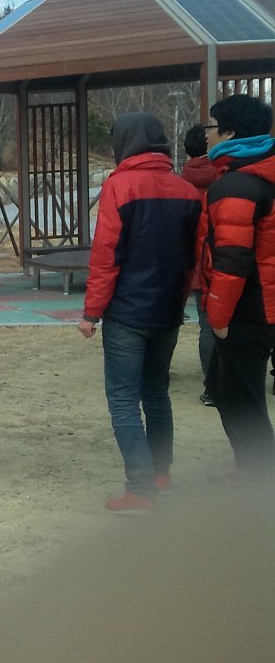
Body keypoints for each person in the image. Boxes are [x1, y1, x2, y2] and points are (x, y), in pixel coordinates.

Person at [78, 112, 201, 514]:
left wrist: (91, 312)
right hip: (168, 310)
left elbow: (106, 255)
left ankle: (141, 488)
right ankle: (161, 473)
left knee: (123, 400)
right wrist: (179, 299)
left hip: (127, 312)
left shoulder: (119, 187)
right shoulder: (187, 190)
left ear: (123, 142)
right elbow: (193, 257)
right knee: (156, 393)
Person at [200, 93, 275, 482]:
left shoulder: (238, 185)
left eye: (211, 126)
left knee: (242, 400)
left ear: (230, 133)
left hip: (249, 308)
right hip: (264, 303)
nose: (206, 134)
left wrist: (219, 317)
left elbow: (232, 260)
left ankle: (260, 480)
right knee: (230, 389)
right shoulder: (259, 172)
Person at [181, 122, 222, 406]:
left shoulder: (181, 183)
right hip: (230, 259)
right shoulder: (225, 176)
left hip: (196, 264)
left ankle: (212, 389)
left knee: (207, 327)